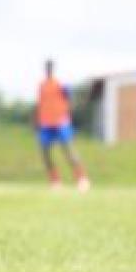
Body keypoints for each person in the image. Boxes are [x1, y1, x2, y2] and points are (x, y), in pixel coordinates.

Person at [36, 59, 90, 191]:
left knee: (69, 151)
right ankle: (55, 182)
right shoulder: (42, 85)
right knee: (45, 153)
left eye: (50, 67)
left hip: (60, 122)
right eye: (47, 67)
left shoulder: (61, 85)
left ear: (53, 69)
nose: (48, 70)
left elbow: (69, 99)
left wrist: (66, 114)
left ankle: (82, 179)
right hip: (45, 123)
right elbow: (40, 104)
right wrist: (38, 121)